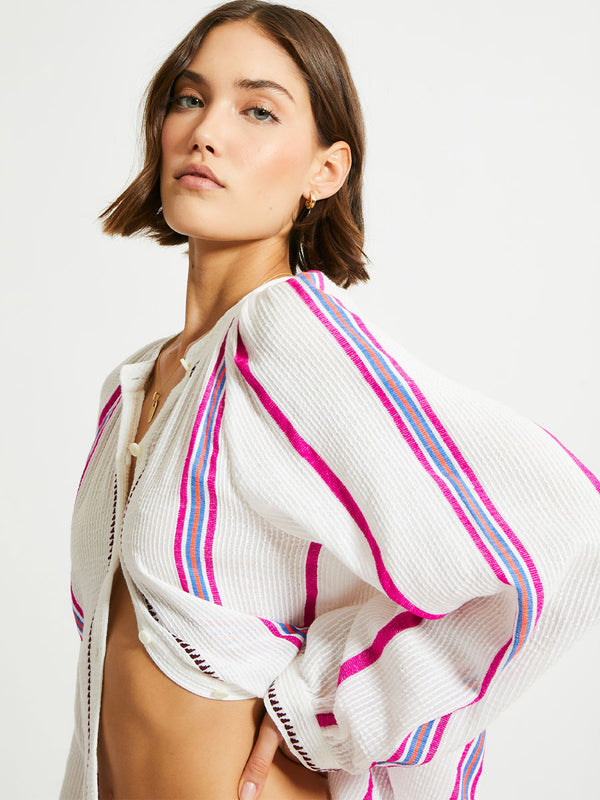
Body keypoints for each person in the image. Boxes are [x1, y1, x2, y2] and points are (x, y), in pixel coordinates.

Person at [60, 2, 600, 799]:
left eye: (257, 110)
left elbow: (565, 533)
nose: (207, 131)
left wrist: (322, 711)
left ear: (326, 170)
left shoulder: (291, 336)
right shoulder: (136, 384)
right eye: (188, 97)